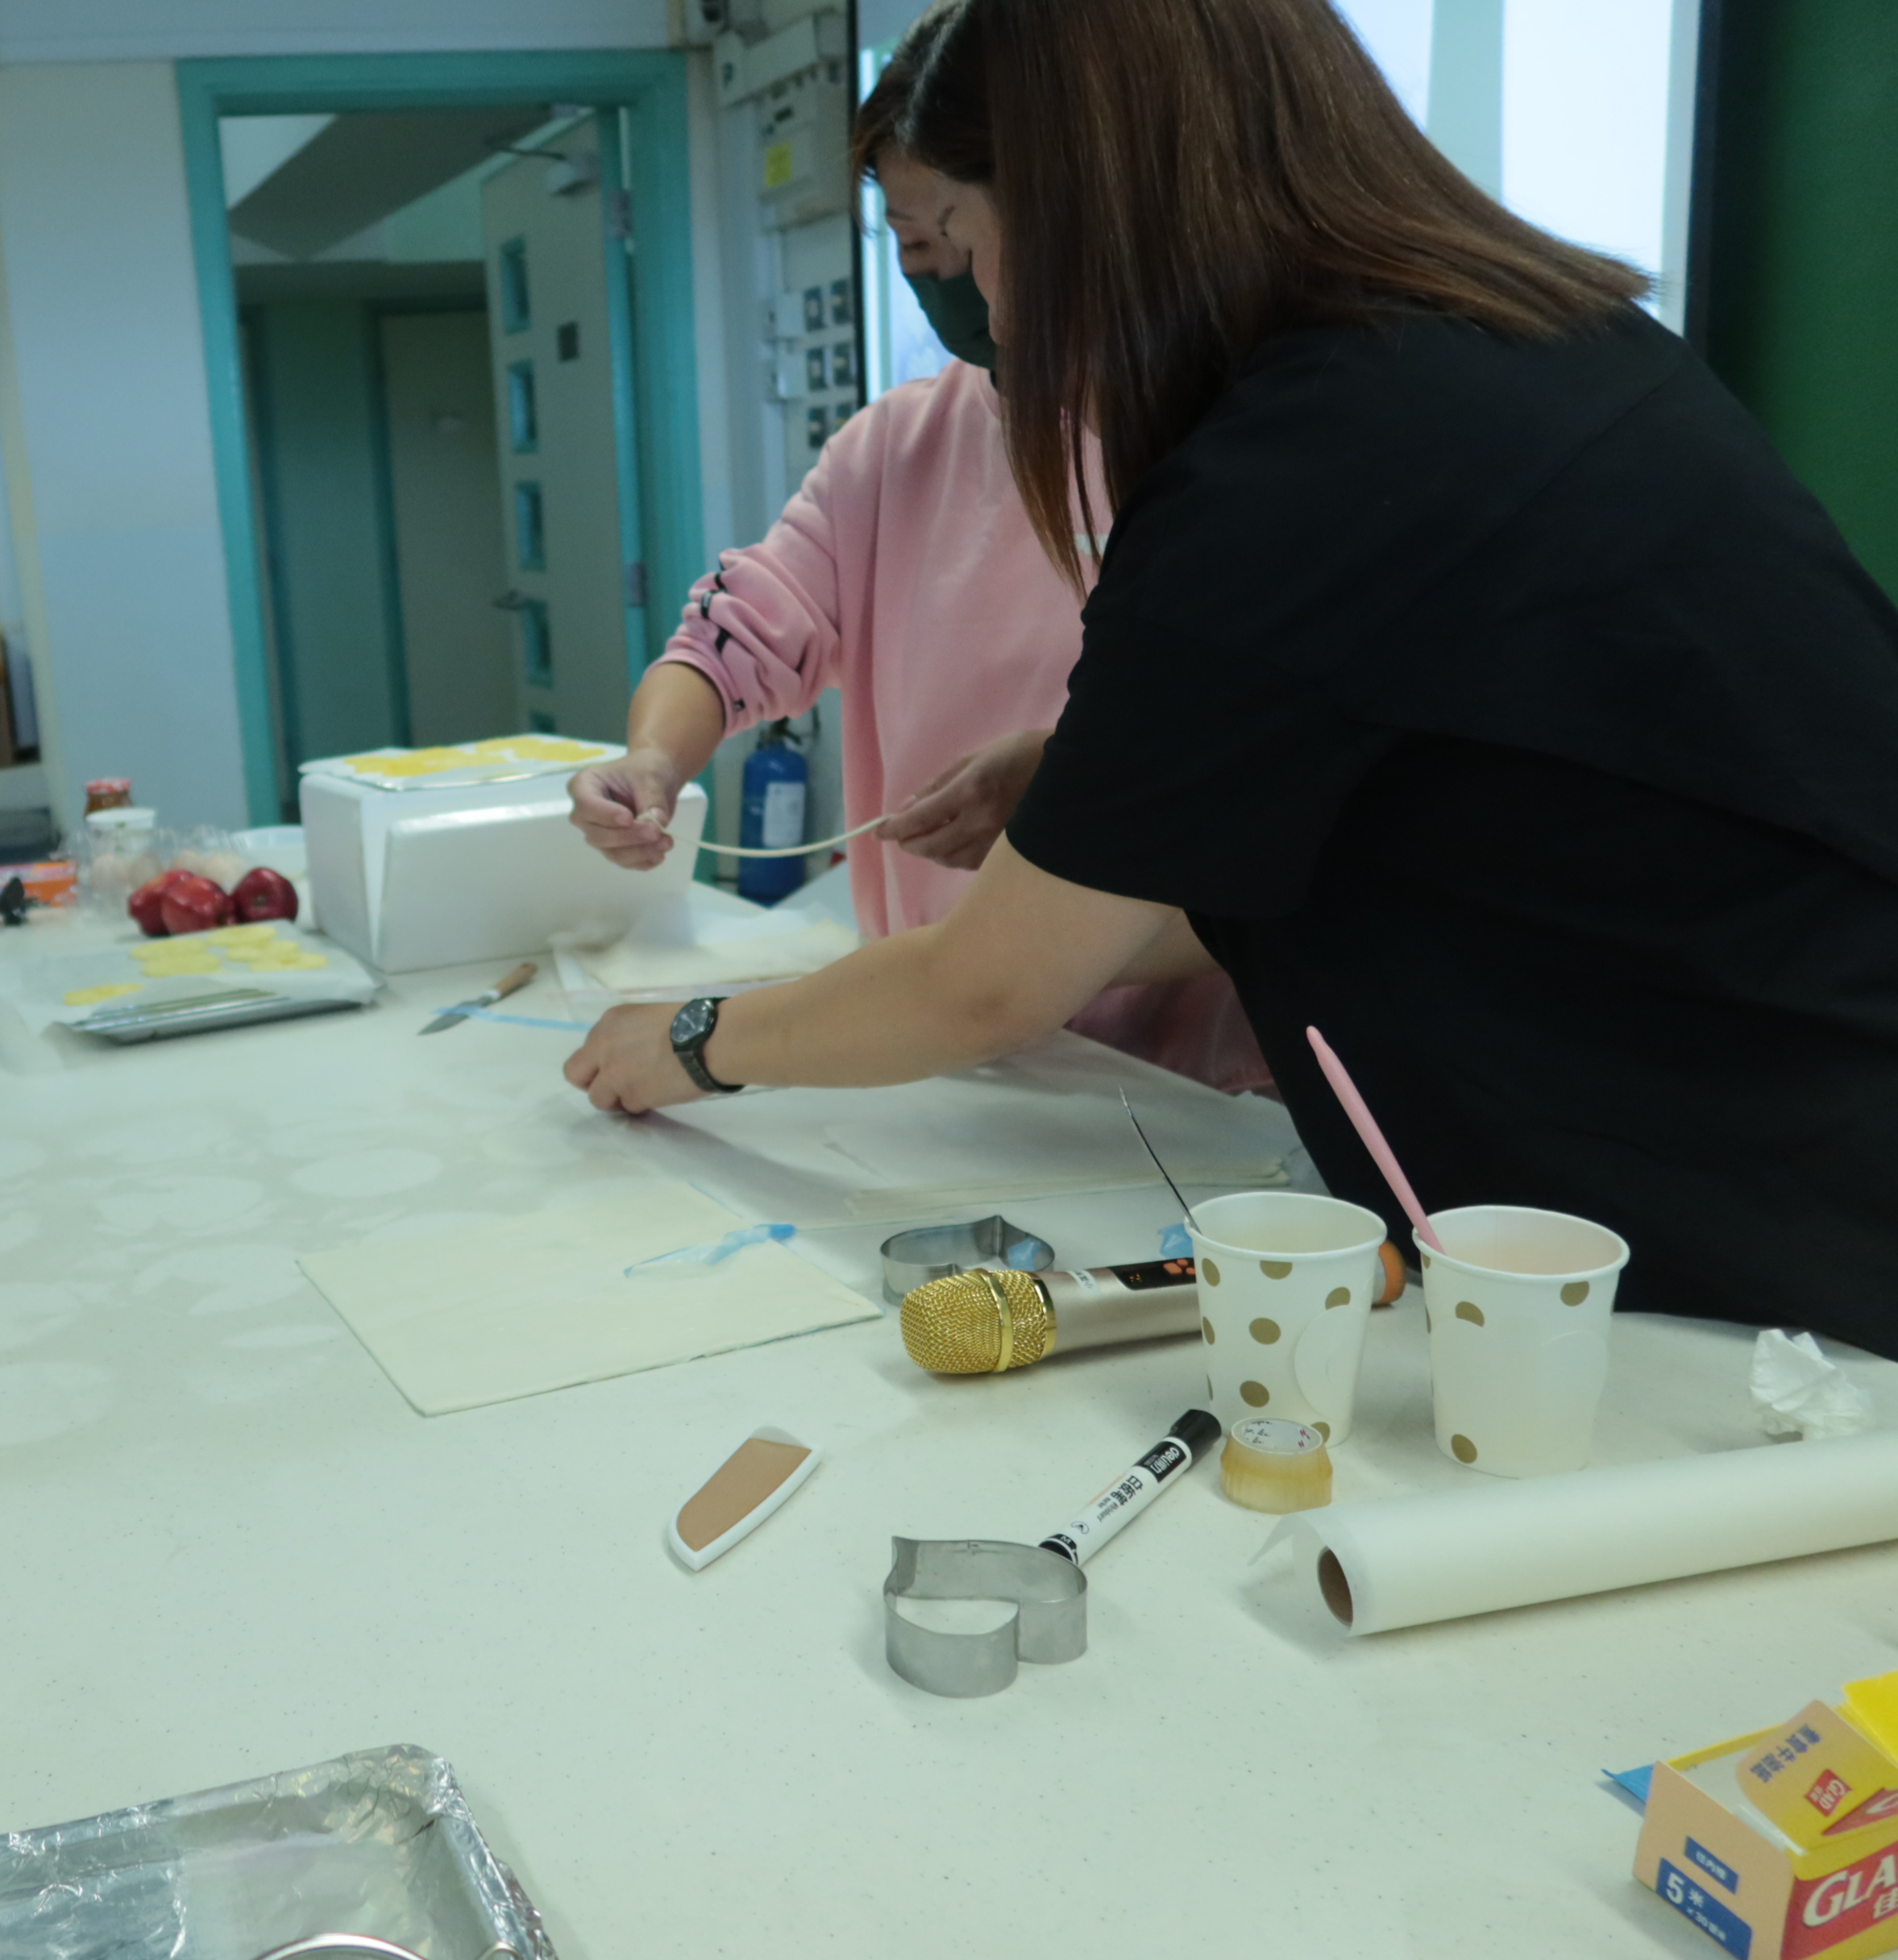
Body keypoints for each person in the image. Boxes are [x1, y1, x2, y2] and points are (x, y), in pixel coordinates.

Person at [562, 0, 1898, 1350]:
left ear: (1086, 201)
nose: (995, 308)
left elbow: (986, 986)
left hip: (1774, 1216)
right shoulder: (1529, 345)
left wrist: (694, 1042)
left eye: (967, 236)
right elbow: (1458, 799)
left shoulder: (1299, 466)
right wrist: (1099, 790)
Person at [568, 35, 1263, 1094]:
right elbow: (736, 630)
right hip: (928, 1034)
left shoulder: (1227, 441)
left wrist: (1055, 778)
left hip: (1184, 1076)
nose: (941, 269)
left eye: (953, 231)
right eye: (906, 238)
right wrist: (655, 762)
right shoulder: (898, 448)